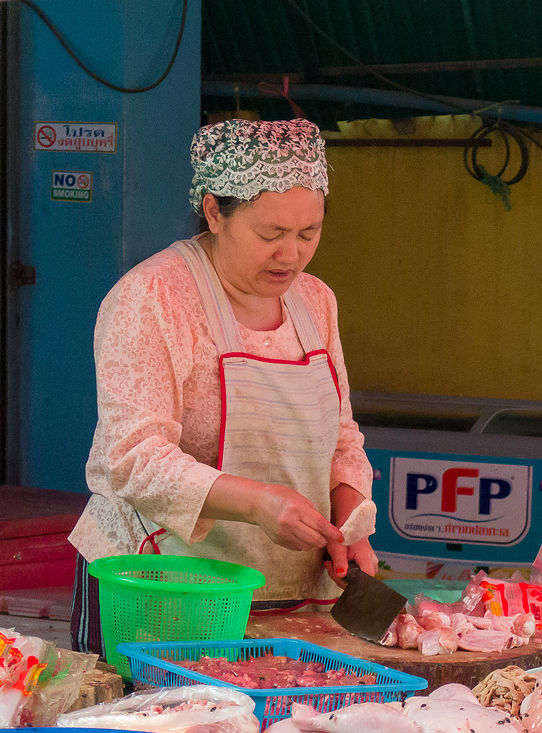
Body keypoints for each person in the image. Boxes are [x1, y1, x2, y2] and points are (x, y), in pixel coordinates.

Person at [68, 118, 376, 655]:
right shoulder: (154, 298)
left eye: (309, 233)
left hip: (287, 592)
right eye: (270, 234)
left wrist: (351, 521)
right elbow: (133, 457)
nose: (291, 255)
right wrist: (259, 503)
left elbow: (341, 434)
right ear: (215, 212)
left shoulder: (316, 302)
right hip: (157, 587)